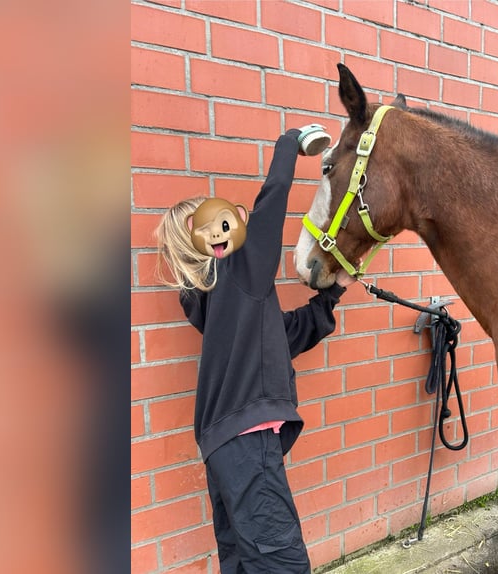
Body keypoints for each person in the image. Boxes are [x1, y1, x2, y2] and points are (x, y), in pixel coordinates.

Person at [155, 125, 353, 573]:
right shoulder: (240, 271)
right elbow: (271, 202)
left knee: (243, 560)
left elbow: (284, 337)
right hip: (246, 447)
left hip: (222, 449)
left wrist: (334, 293)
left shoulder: (217, 303)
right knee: (282, 563)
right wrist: (291, 141)